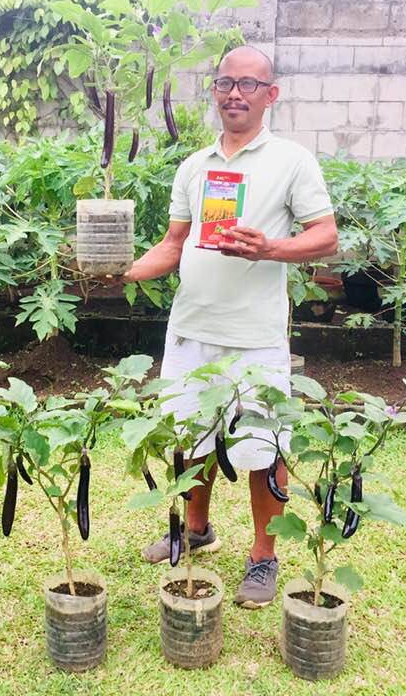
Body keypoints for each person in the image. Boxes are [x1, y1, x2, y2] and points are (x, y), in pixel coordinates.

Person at [121, 45, 339, 609]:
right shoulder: (195, 166)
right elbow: (173, 244)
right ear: (214, 91)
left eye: (248, 84)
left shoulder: (292, 161)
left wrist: (272, 249)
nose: (235, 93)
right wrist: (115, 269)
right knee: (189, 439)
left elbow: (326, 236)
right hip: (191, 327)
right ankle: (196, 529)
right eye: (225, 83)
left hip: (255, 335)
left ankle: (264, 558)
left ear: (272, 94)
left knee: (263, 448)